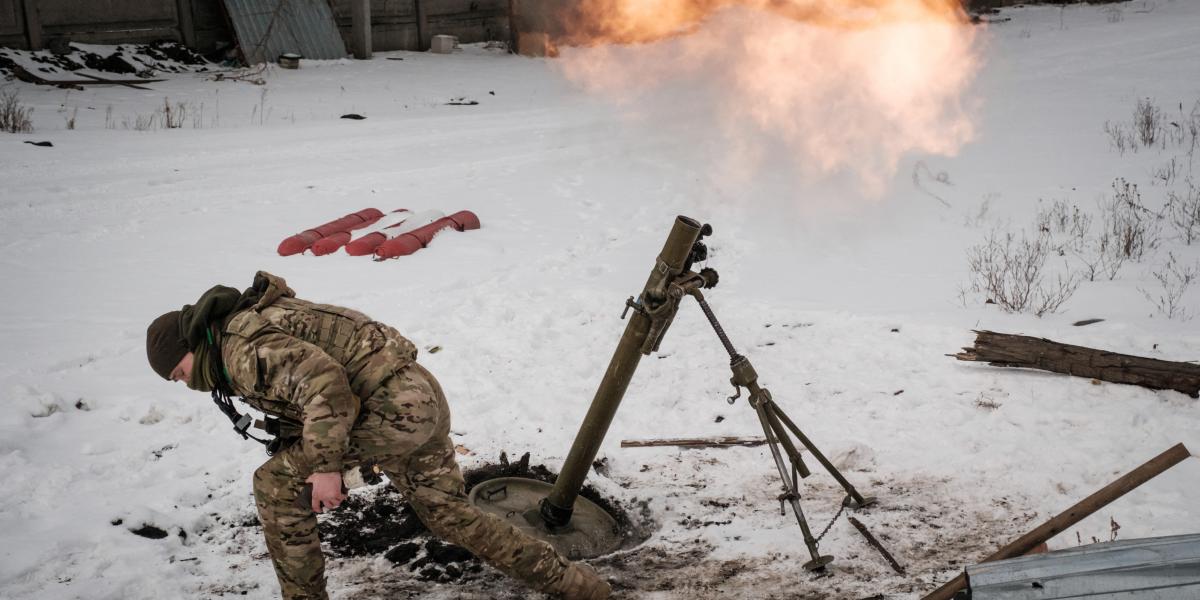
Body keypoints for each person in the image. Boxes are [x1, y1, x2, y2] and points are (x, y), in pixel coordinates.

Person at [145, 271, 610, 600]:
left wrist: (327, 469)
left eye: (178, 373)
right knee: (452, 516)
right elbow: (306, 397)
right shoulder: (248, 328)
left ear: (188, 348)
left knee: (274, 485)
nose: (185, 383)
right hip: (418, 398)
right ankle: (581, 588)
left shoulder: (242, 350)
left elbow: (324, 384)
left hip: (394, 411)